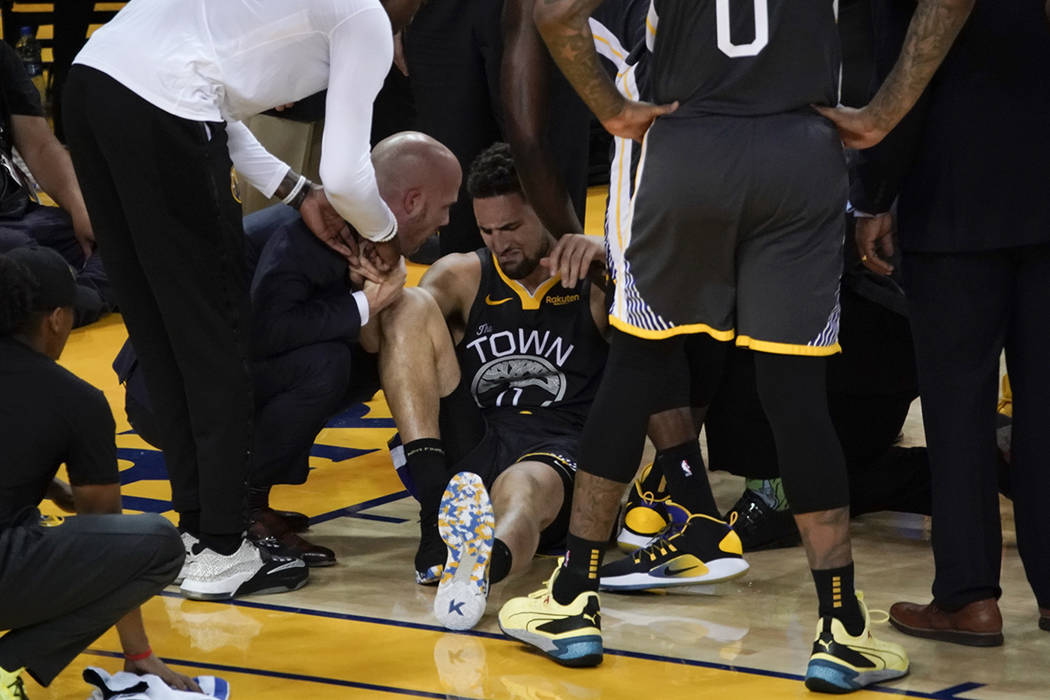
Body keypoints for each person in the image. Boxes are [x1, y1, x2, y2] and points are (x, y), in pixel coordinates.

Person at [499, 0, 974, 693]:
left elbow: (553, 10)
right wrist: (883, 112)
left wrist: (610, 110)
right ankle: (841, 626)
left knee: (637, 366)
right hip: (798, 152)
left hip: (682, 149)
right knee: (794, 394)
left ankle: (573, 597)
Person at [62, 0, 424, 601]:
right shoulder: (364, 16)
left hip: (89, 86)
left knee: (161, 332)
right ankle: (227, 548)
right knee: (217, 339)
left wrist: (294, 189)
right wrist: (385, 238)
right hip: (164, 107)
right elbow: (348, 177)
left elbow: (204, 97)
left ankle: (197, 536)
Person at [115, 132, 461, 573]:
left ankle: (250, 500)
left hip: (207, 373)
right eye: (445, 206)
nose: (447, 221)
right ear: (411, 202)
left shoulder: (359, 227)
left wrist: (370, 302)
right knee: (326, 365)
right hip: (164, 389)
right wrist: (366, 303)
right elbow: (266, 331)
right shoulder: (311, 234)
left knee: (360, 355)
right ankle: (241, 512)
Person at [851, 0, 1050, 645]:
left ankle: (968, 599)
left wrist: (873, 196)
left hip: (954, 200)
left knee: (959, 409)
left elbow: (902, 75)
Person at [372, 143, 626, 630]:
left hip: (559, 448)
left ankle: (476, 569)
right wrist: (375, 286)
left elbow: (671, 313)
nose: (498, 243)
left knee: (522, 487)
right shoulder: (463, 275)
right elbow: (385, 345)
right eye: (487, 230)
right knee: (407, 306)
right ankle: (434, 510)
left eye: (511, 228)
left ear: (550, 210)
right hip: (478, 440)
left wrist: (613, 259)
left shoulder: (592, 278)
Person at [0, 248, 196, 700]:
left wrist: (44, 484)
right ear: (55, 319)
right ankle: (7, 664)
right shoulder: (77, 401)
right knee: (158, 545)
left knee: (28, 521)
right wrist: (138, 651)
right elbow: (105, 529)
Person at [0, 40, 110, 326]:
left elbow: (40, 145)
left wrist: (80, 207)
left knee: (119, 231)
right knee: (23, 254)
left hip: (23, 217)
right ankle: (65, 301)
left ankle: (63, 303)